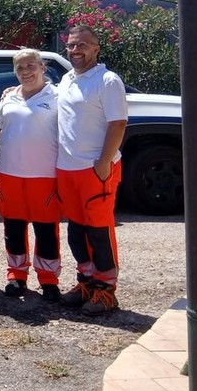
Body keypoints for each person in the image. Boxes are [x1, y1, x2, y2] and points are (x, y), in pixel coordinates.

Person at [55, 25, 128, 315]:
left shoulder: (107, 80)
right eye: (72, 45)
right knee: (76, 230)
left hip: (95, 168)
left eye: (83, 45)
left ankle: (106, 290)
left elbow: (118, 123)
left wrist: (103, 162)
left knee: (99, 230)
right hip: (67, 168)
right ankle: (86, 282)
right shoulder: (66, 79)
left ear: (96, 49)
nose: (76, 50)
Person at [0, 50, 61, 301]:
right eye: (20, 68)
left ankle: (48, 279)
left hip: (44, 174)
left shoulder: (58, 96)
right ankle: (16, 275)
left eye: (31, 66)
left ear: (42, 68)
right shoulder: (8, 97)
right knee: (13, 226)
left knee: (46, 229)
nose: (26, 72)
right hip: (8, 172)